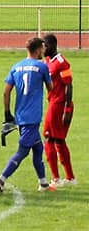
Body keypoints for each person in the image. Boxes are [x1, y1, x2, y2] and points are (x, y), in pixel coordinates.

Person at [0, 37, 54, 193]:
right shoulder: (41, 67)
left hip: (21, 115)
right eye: (42, 48)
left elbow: (6, 92)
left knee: (38, 148)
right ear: (37, 50)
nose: (44, 50)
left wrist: (7, 113)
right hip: (32, 117)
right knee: (23, 151)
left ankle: (43, 183)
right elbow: (51, 88)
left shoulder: (16, 67)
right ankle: (1, 180)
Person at [42, 33, 76, 185]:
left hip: (59, 105)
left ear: (53, 46)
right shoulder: (47, 60)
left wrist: (67, 109)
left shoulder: (62, 63)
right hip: (53, 103)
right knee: (59, 141)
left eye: (45, 46)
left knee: (49, 138)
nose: (43, 49)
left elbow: (69, 85)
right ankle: (70, 178)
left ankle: (56, 179)